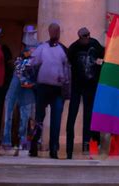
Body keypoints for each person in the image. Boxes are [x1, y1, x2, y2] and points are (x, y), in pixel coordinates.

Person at [29, 22, 70, 159]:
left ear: (59, 32)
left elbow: (67, 69)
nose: (55, 33)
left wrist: (66, 84)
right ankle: (33, 146)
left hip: (57, 90)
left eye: (57, 31)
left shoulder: (63, 49)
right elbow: (32, 63)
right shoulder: (42, 48)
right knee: (39, 118)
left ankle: (54, 149)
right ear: (49, 32)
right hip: (43, 87)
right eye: (53, 31)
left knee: (56, 120)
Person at [66, 27, 104, 159]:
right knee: (72, 114)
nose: (87, 37)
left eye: (88, 35)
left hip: (91, 85)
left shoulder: (95, 44)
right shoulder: (74, 48)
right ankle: (69, 148)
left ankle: (88, 144)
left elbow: (104, 57)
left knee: (89, 115)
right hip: (77, 85)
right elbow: (68, 63)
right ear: (80, 37)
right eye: (84, 36)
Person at [2, 24, 39, 150]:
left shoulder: (37, 48)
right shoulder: (27, 52)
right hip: (20, 78)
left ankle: (22, 139)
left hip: (27, 79)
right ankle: (9, 138)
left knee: (26, 110)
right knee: (14, 107)